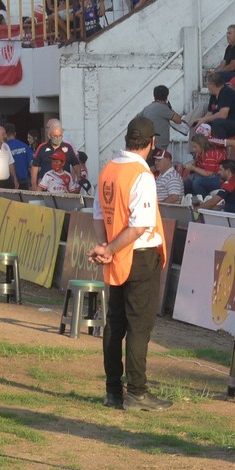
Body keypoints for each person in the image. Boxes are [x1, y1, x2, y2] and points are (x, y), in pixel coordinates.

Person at [91, 115, 172, 412]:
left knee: (115, 323)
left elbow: (98, 215)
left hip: (116, 253)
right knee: (139, 326)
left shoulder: (108, 170)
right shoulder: (142, 175)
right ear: (152, 143)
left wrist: (106, 248)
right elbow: (140, 227)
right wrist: (111, 248)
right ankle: (137, 392)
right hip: (139, 255)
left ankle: (113, 389)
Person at [191, 71, 235, 143]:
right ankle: (202, 152)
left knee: (218, 124)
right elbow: (210, 113)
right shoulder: (214, 95)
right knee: (203, 126)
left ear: (212, 84)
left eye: (207, 84)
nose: (207, 87)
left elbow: (223, 115)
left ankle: (220, 150)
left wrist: (205, 120)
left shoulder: (226, 92)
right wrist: (202, 121)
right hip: (229, 122)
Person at [30, 118, 76, 189]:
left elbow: (75, 161)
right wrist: (34, 184)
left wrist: (75, 179)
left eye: (48, 127)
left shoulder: (67, 145)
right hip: (46, 186)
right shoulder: (47, 175)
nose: (46, 129)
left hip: (63, 186)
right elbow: (35, 165)